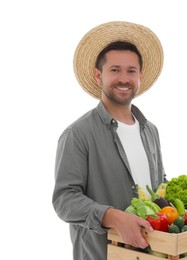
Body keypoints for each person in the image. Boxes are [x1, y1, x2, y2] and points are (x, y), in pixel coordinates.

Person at [52, 21, 166, 260]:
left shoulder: (150, 131)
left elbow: (157, 185)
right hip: (100, 254)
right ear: (98, 75)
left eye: (131, 71)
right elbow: (64, 200)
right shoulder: (78, 134)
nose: (123, 79)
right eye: (115, 70)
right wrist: (113, 216)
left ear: (140, 76)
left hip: (149, 253)